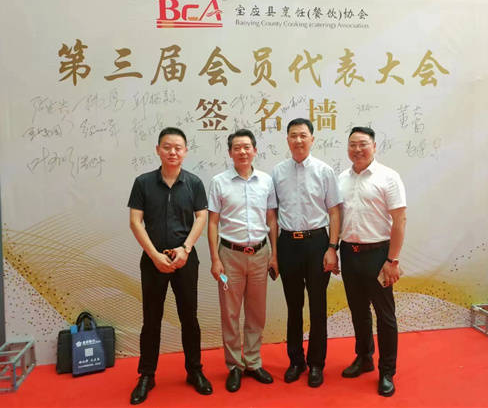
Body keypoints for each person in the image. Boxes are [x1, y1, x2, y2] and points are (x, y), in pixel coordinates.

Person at [127, 127, 212, 405]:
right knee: (151, 319)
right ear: (158, 150)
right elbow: (135, 222)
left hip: (185, 259)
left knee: (190, 317)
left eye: (178, 147)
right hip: (153, 260)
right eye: (167, 147)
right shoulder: (143, 183)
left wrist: (185, 249)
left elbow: (201, 218)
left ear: (185, 151)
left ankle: (194, 370)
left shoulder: (194, 183)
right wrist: (154, 255)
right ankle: (147, 375)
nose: (172, 152)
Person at [271, 118, 342, 388]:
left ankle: (316, 364)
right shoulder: (277, 172)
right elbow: (273, 215)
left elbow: (334, 212)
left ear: (312, 139)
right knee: (293, 306)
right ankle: (295, 361)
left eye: (303, 135)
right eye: (293, 135)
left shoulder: (324, 171)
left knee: (318, 306)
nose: (298, 140)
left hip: (317, 244)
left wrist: (332, 247)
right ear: (287, 140)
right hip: (288, 244)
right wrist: (274, 254)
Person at [207, 129, 278, 392]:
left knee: (256, 312)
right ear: (230, 153)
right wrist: (215, 259)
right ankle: (234, 366)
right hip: (229, 257)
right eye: (237, 148)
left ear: (255, 150)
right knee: (230, 312)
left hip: (260, 255)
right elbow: (212, 223)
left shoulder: (266, 181)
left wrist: (274, 255)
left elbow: (272, 220)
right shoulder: (219, 182)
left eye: (247, 147)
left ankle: (253, 362)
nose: (242, 152)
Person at [338, 126, 407, 397]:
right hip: (349, 253)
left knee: (385, 315)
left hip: (378, 255)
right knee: (358, 310)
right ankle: (364, 357)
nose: (357, 149)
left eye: (363, 144)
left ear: (374, 146)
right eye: (352, 144)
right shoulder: (341, 179)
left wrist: (393, 260)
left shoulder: (388, 177)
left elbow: (400, 220)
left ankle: (387, 371)